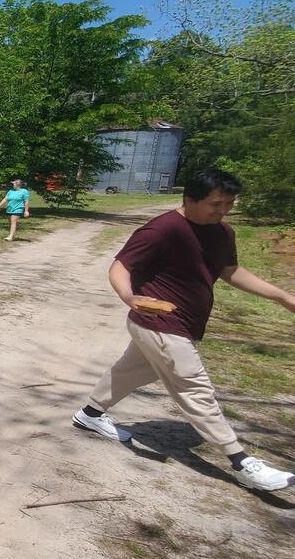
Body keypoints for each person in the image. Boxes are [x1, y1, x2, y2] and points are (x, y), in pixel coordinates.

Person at [72, 169, 295, 492]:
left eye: (228, 204)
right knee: (194, 389)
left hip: (184, 323)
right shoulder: (163, 229)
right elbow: (121, 266)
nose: (222, 211)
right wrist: (130, 297)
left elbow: (229, 271)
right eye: (215, 204)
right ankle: (242, 462)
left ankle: (90, 414)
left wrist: (282, 296)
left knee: (132, 371)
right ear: (189, 199)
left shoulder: (222, 232)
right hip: (158, 322)